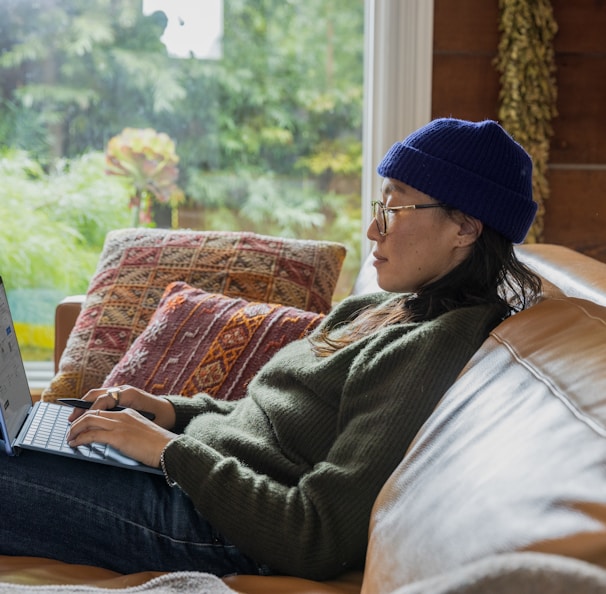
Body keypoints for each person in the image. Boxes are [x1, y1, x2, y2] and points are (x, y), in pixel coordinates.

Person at [0, 118, 542, 581]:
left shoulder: (437, 345)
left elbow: (317, 535)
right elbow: (263, 423)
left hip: (215, 526)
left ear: (465, 228)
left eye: (396, 209)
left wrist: (167, 450)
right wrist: (169, 412)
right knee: (25, 429)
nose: (373, 228)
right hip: (189, 478)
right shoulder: (378, 308)